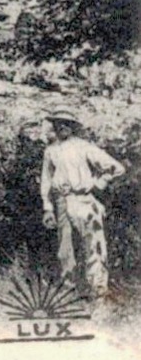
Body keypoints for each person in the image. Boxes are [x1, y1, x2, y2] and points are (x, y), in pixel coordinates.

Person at [40, 109, 126, 297]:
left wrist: (98, 183)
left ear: (72, 127)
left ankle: (98, 291)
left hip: (84, 200)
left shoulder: (84, 147)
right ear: (53, 125)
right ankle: (69, 293)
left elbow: (117, 168)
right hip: (62, 200)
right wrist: (47, 209)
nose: (61, 126)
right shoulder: (51, 151)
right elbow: (46, 180)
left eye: (66, 123)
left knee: (94, 246)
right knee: (65, 251)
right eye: (57, 122)